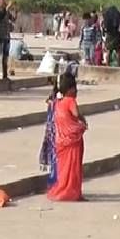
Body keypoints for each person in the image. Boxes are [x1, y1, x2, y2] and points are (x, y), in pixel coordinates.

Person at [47, 73, 88, 202]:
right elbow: (76, 114)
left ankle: (62, 190)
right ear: (69, 89)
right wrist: (83, 120)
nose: (76, 91)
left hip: (61, 141)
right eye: (74, 88)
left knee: (63, 169)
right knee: (74, 168)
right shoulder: (71, 101)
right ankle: (72, 192)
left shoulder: (57, 102)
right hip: (73, 141)